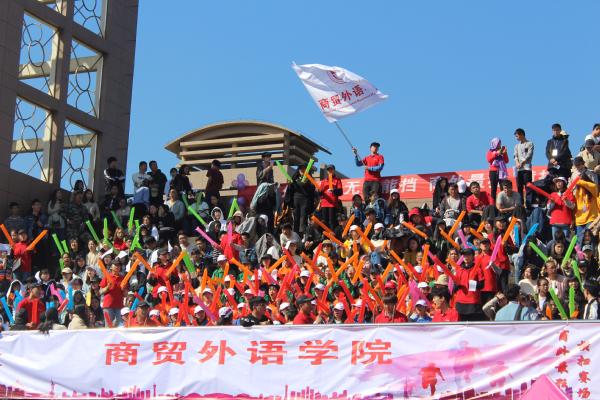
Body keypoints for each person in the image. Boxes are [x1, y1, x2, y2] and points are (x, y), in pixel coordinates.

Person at [318, 164, 343, 230]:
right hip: (324, 203)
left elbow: (340, 192)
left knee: (331, 221)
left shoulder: (337, 180)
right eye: (328, 170)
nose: (330, 171)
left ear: (334, 170)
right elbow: (319, 193)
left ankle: (331, 235)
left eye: (331, 169)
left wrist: (334, 191)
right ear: (327, 171)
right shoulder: (324, 181)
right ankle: (325, 235)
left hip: (332, 204)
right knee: (324, 221)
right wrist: (320, 192)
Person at [513, 128, 534, 204]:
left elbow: (529, 155)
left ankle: (529, 204)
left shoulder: (530, 143)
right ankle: (520, 204)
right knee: (519, 187)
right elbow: (515, 156)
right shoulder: (516, 146)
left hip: (527, 168)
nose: (516, 138)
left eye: (517, 136)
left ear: (521, 135)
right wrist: (517, 163)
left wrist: (522, 163)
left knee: (528, 186)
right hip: (519, 169)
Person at [486, 137, 509, 202]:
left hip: (502, 172)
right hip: (493, 172)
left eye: (500, 143)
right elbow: (489, 159)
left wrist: (504, 153)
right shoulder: (490, 151)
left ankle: (504, 202)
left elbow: (506, 161)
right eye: (498, 143)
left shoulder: (502, 151)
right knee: (493, 189)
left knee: (503, 188)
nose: (499, 145)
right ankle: (493, 204)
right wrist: (497, 153)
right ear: (494, 144)